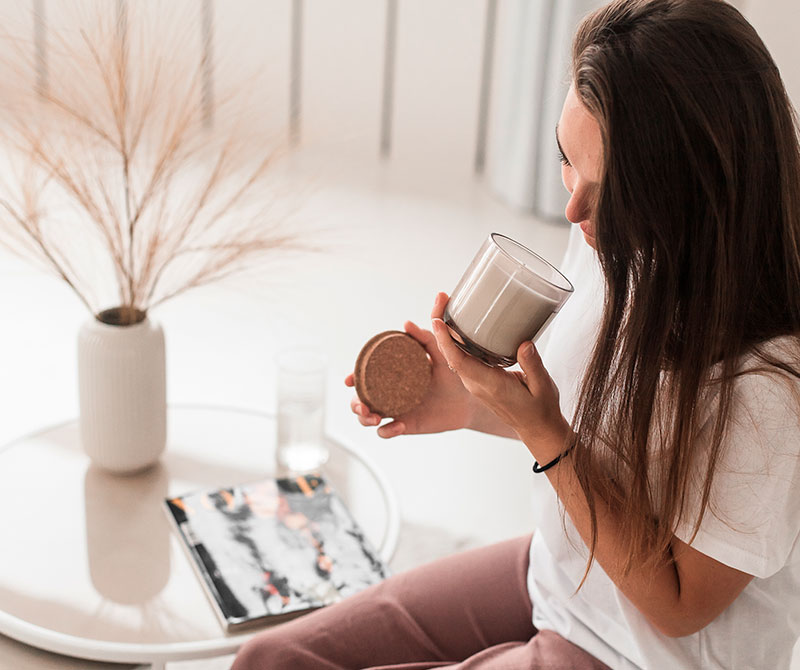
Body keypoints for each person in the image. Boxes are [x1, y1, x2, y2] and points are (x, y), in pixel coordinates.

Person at [233, 0, 800, 667]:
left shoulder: (766, 385)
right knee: (267, 661)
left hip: (632, 654)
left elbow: (679, 608)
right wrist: (469, 404)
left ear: (694, 187)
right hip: (560, 577)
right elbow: (600, 430)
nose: (573, 208)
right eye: (568, 161)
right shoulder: (615, 239)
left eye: (612, 188)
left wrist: (543, 435)